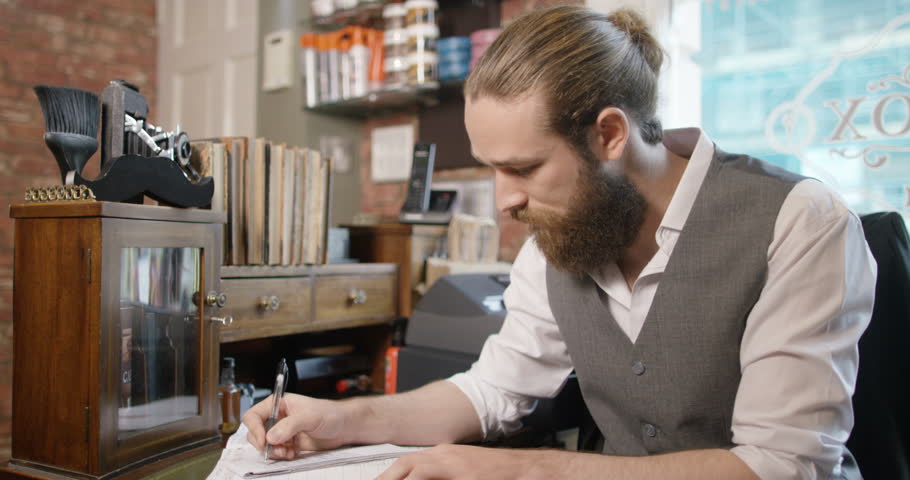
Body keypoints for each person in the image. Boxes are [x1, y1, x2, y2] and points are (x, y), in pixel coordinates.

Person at [243, 6, 877, 479]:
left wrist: (526, 471)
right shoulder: (553, 244)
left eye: (522, 169)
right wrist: (342, 421)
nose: (503, 201)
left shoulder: (798, 221)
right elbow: (493, 391)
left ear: (608, 134)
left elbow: (781, 466)